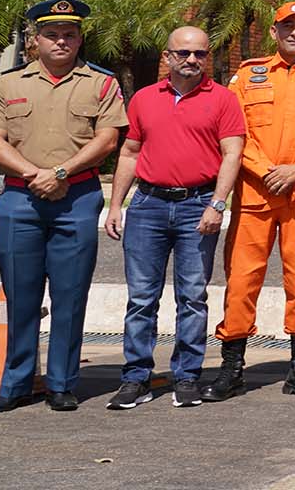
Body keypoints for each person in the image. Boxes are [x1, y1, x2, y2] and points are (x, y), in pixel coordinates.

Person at [0, 0, 127, 413]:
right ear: (35, 39)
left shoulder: (101, 83)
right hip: (20, 200)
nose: (61, 41)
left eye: (70, 34)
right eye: (52, 34)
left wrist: (58, 174)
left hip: (75, 198)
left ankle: (61, 382)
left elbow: (107, 140)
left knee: (69, 296)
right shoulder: (8, 84)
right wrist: (34, 174)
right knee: (21, 298)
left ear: (80, 39)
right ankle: (16, 384)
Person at [104, 25, 245, 410]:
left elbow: (232, 154)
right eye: (182, 53)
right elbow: (130, 153)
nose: (191, 60)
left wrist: (217, 204)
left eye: (199, 54)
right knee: (141, 298)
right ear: (167, 57)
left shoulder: (223, 100)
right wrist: (116, 205)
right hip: (147, 206)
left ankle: (187, 376)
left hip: (196, 206)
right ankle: (135, 378)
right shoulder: (145, 99)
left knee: (193, 297)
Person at [205, 1, 295, 402]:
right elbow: (233, 131)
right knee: (242, 281)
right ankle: (232, 364)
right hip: (255, 192)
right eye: (287, 26)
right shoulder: (248, 75)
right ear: (274, 32)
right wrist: (263, 169)